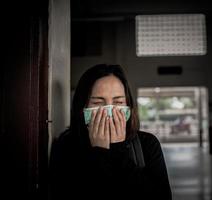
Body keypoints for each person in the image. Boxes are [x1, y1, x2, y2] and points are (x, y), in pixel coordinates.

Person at [49, 64, 172, 200]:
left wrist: (117, 150)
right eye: (97, 103)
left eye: (118, 102)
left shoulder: (147, 143)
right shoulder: (66, 145)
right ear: (82, 107)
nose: (109, 111)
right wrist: (99, 153)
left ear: (128, 106)